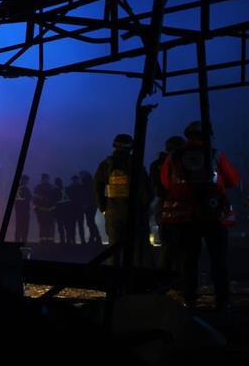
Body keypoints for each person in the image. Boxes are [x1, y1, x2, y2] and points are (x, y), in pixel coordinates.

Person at [161, 121, 239, 310]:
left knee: (189, 261)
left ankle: (190, 300)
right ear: (207, 135)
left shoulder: (173, 157)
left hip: (185, 218)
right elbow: (233, 180)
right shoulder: (215, 154)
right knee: (218, 260)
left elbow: (165, 183)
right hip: (213, 216)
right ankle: (222, 301)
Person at [93, 134, 151, 266]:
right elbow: (145, 189)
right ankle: (133, 280)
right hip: (134, 212)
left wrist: (103, 208)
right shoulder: (135, 163)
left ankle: (113, 281)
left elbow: (97, 187)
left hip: (113, 212)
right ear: (130, 147)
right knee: (136, 248)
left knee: (114, 248)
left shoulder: (106, 164)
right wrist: (144, 207)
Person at [150, 136, 185, 272]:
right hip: (183, 210)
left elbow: (156, 189)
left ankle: (164, 280)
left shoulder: (156, 164)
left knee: (167, 247)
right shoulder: (185, 163)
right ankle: (180, 279)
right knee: (183, 248)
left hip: (164, 210)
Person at [33, 173, 59, 244]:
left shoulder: (49, 187)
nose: (45, 180)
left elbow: (55, 199)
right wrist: (36, 209)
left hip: (48, 210)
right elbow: (35, 199)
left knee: (48, 225)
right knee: (44, 225)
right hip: (44, 210)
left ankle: (48, 239)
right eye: (44, 178)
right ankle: (45, 239)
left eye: (45, 178)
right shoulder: (39, 187)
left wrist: (54, 208)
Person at [79, 170, 101, 244]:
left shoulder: (86, 183)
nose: (79, 177)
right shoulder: (90, 182)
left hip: (89, 205)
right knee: (91, 222)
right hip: (93, 205)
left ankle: (96, 238)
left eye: (80, 175)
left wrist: (85, 204)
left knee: (90, 222)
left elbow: (87, 195)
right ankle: (94, 238)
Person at [66, 175, 87, 244]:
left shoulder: (69, 188)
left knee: (73, 226)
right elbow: (84, 198)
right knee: (79, 226)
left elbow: (67, 199)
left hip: (73, 209)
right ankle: (82, 241)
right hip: (79, 209)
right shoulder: (82, 187)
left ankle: (73, 240)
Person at [55, 177, 74, 244]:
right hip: (67, 210)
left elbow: (54, 201)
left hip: (59, 211)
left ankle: (62, 240)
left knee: (61, 226)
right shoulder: (67, 189)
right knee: (67, 226)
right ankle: (68, 240)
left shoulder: (55, 191)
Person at [14, 175, 32, 243]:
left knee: (18, 225)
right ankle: (24, 240)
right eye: (27, 181)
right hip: (25, 211)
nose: (27, 182)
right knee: (25, 226)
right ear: (25, 180)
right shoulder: (25, 189)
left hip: (18, 210)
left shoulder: (17, 188)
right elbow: (30, 197)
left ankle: (17, 240)